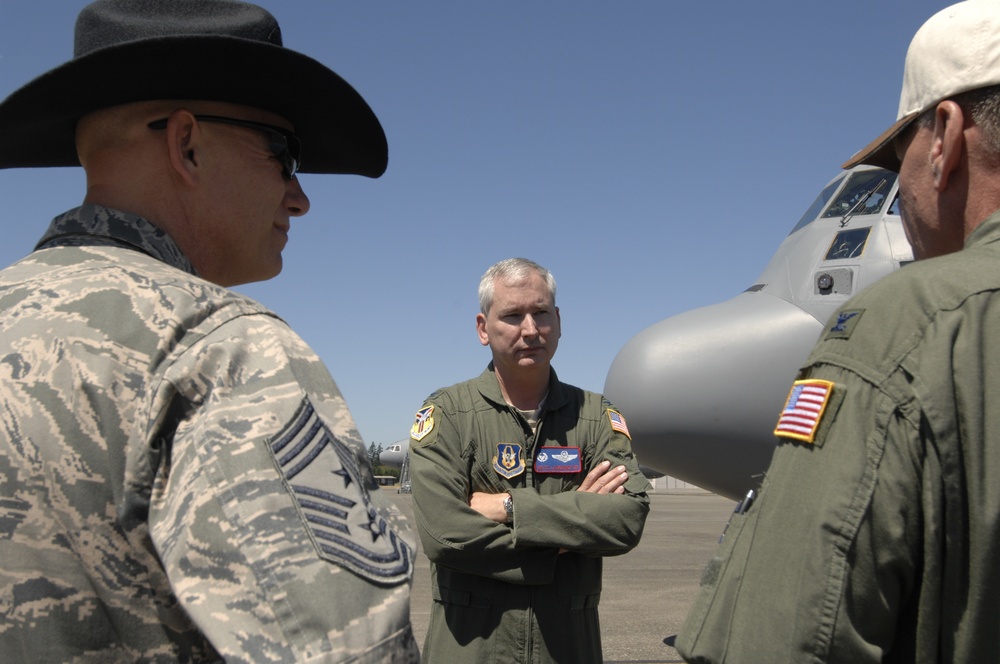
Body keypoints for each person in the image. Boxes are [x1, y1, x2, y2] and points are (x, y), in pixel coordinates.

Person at [0, 1, 419, 661]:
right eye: (284, 154)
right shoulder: (214, 346)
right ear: (187, 144)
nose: (300, 196)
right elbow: (350, 650)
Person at [676, 1, 1000, 662]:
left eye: (898, 157)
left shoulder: (907, 327)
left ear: (944, 136)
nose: (903, 186)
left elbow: (789, 637)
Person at [408, 257, 651, 663]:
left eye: (540, 313)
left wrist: (509, 507)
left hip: (567, 649)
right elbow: (445, 534)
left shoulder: (594, 416)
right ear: (483, 328)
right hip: (471, 651)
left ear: (558, 320)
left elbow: (627, 519)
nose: (530, 330)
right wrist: (564, 538)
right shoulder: (448, 413)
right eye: (512, 315)